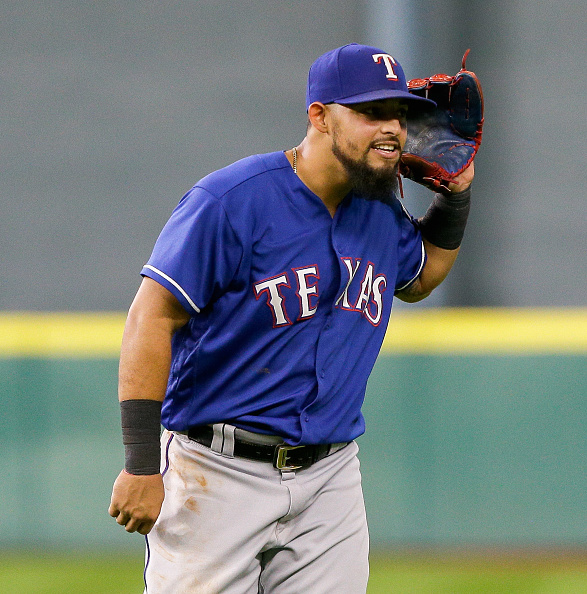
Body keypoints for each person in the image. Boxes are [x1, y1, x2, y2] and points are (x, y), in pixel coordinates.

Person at [109, 43, 474, 593]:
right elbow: (151, 319)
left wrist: (457, 197)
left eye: (400, 114)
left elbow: (421, 277)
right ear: (320, 117)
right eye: (371, 112)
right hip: (217, 469)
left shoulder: (378, 209)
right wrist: (140, 463)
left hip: (330, 478)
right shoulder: (232, 200)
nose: (393, 128)